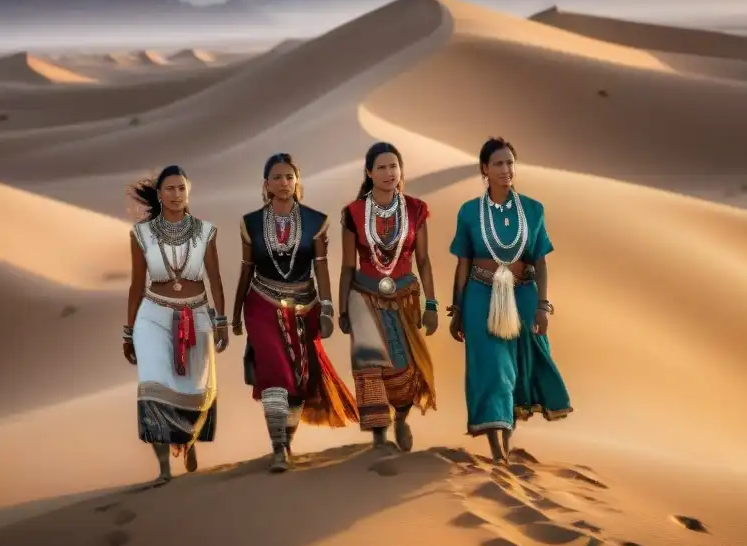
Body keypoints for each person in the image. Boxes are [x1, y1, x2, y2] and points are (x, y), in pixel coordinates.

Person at [231, 153, 359, 472]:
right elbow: (246, 268)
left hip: (306, 306)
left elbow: (321, 267)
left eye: (290, 177)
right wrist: (234, 313)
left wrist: (328, 308)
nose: (284, 183)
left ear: (297, 181)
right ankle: (278, 448)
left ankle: (286, 440)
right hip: (261, 303)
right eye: (277, 177)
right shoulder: (251, 223)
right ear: (266, 184)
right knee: (276, 372)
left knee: (301, 379)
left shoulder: (315, 221)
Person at [448, 137, 572, 463]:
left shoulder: (533, 210)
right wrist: (457, 309)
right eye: (498, 164)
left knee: (518, 371)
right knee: (493, 368)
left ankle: (506, 437)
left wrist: (544, 306)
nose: (506, 170)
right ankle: (498, 451)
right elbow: (462, 262)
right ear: (484, 169)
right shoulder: (469, 212)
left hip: (523, 296)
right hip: (480, 296)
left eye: (510, 163)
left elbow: (541, 261)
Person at [124, 165, 229, 485]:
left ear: (189, 192)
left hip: (197, 315)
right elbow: (135, 285)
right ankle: (164, 470)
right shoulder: (140, 234)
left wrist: (221, 320)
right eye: (169, 189)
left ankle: (190, 438)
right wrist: (128, 332)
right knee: (153, 389)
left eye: (181, 188)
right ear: (159, 195)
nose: (176, 194)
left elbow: (215, 278)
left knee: (194, 390)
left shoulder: (205, 231)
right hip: (153, 317)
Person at [338, 141, 438, 451]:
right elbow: (346, 265)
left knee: (403, 368)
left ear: (401, 170)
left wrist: (431, 305)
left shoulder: (415, 209)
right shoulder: (353, 213)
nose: (388, 172)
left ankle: (401, 418)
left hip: (405, 298)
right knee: (369, 365)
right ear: (369, 172)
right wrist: (342, 309)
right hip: (363, 297)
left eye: (393, 166)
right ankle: (379, 437)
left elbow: (423, 260)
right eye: (381, 167)